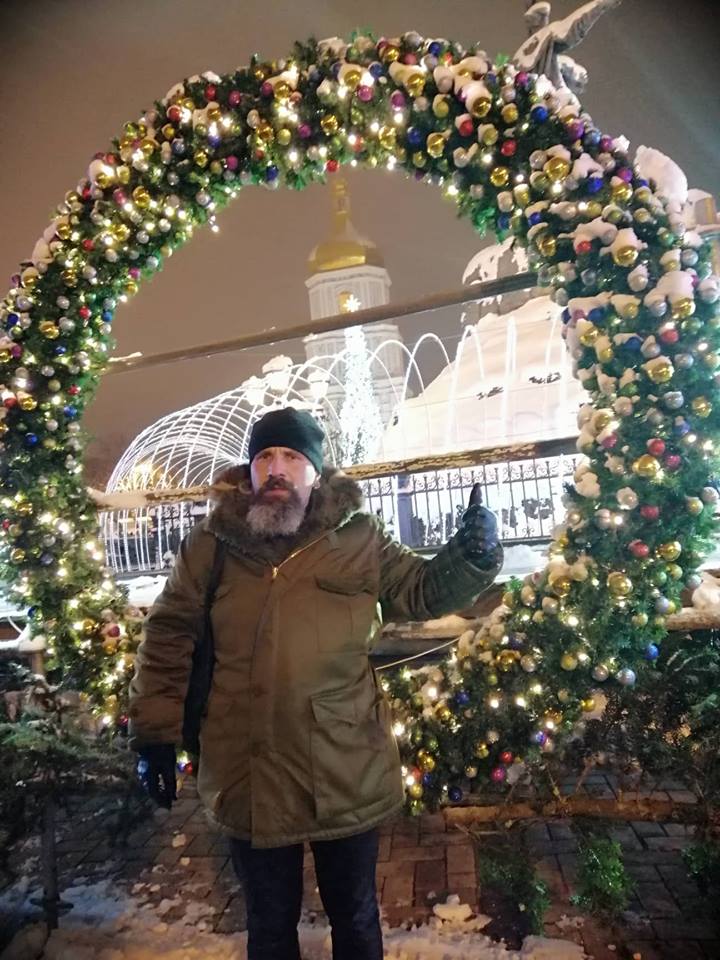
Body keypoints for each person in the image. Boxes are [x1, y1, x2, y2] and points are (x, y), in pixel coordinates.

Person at [128, 407, 503, 960]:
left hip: (341, 761)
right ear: (250, 469)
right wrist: (154, 737)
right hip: (247, 766)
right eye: (264, 457)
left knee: (355, 915)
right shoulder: (211, 544)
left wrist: (471, 557)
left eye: (291, 456)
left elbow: (421, 590)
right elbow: (168, 635)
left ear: (316, 470)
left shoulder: (359, 537)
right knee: (268, 923)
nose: (276, 469)